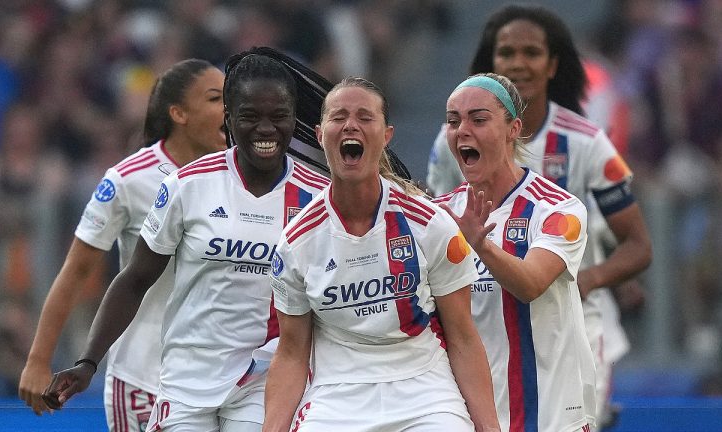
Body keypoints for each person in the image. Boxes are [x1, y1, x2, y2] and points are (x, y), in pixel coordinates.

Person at [42, 49, 330, 431]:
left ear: (294, 119)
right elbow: (134, 279)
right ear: (228, 118)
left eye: (278, 117)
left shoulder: (316, 197)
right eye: (249, 117)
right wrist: (88, 362)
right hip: (185, 380)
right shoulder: (185, 185)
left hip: (263, 378)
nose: (265, 129)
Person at [430, 5, 653, 428]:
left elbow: (639, 245)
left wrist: (590, 279)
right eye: (506, 53)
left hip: (569, 307)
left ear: (552, 65)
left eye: (530, 53)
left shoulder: (586, 143)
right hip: (479, 311)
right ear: (491, 63)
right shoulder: (449, 141)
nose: (517, 63)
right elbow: (445, 223)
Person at [263, 76, 500, 432]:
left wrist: (490, 428)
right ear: (319, 133)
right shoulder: (296, 242)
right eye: (339, 116)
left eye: (364, 116)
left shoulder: (429, 224)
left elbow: (463, 336)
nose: (351, 125)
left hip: (425, 392)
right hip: (336, 398)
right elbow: (292, 353)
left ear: (386, 136)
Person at [18, 58, 226, 429]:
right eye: (215, 99)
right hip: (144, 376)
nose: (229, 109)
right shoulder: (128, 180)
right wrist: (38, 359)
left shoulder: (241, 176)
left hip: (222, 379)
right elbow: (77, 270)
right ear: (178, 113)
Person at [435, 72, 595, 431]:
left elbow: (531, 284)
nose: (462, 130)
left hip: (550, 418)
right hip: (471, 419)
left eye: (478, 120)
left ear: (513, 128)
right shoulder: (438, 216)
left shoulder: (559, 211)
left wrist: (481, 246)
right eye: (453, 121)